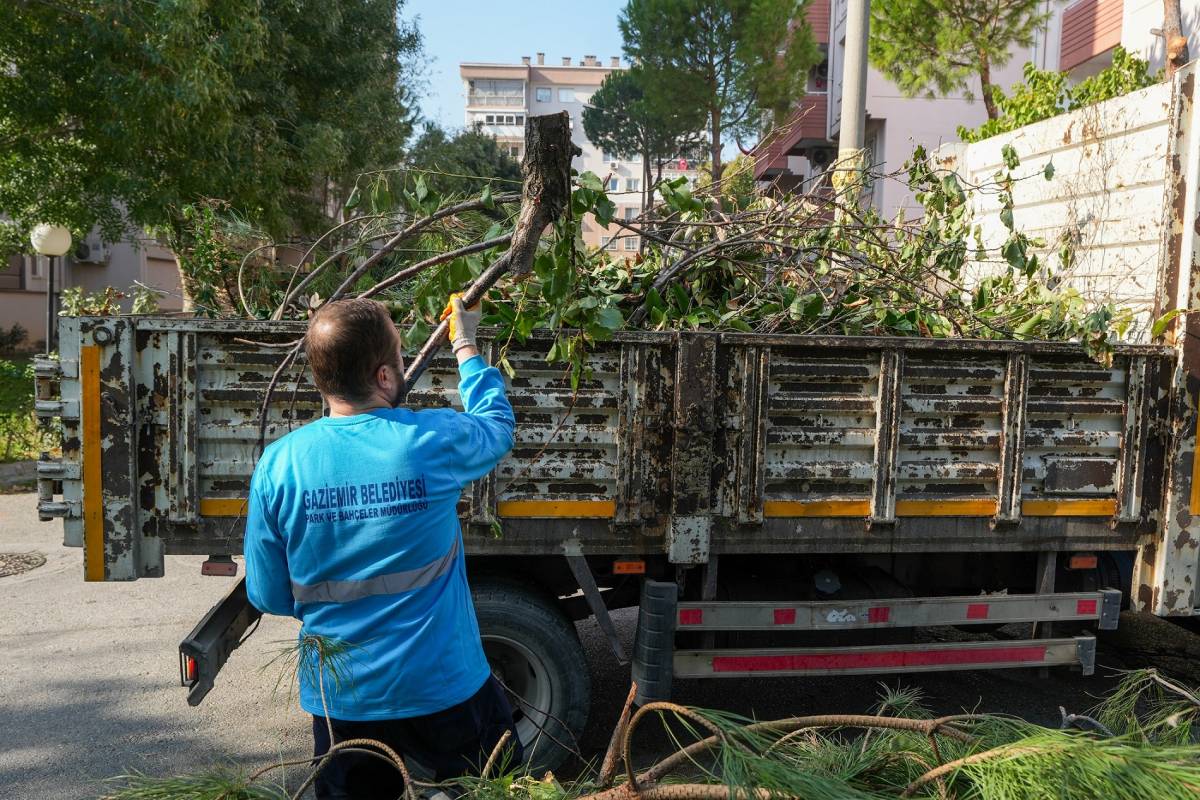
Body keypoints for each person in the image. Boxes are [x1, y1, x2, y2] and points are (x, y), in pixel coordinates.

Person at [244, 295, 522, 799]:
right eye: (398, 350)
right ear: (386, 377)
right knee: (496, 783)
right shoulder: (430, 440)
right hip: (445, 684)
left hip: (343, 698)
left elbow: (267, 596)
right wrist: (464, 343)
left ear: (321, 379)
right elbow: (497, 427)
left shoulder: (279, 465)